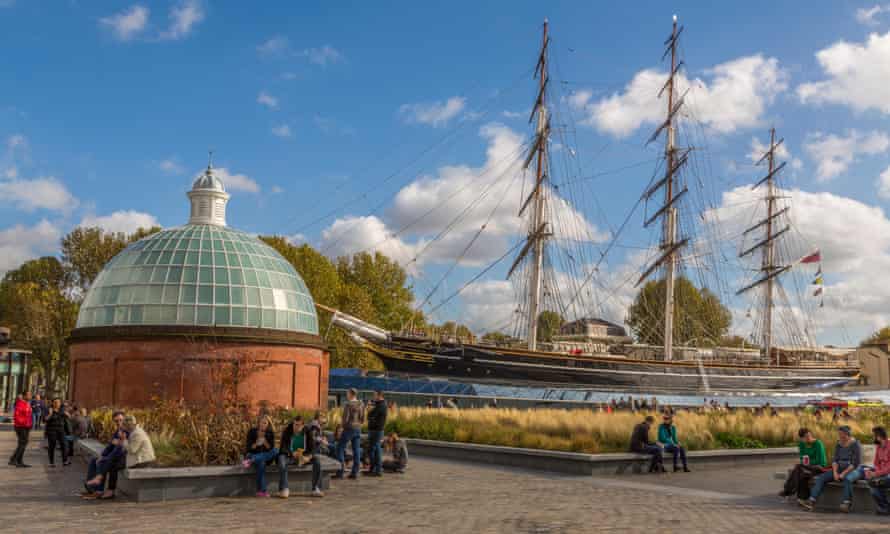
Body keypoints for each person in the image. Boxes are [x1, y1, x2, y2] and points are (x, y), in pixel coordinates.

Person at [800, 425, 862, 512]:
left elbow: (855, 463)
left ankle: (846, 503)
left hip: (852, 469)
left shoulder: (855, 444)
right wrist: (835, 473)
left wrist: (843, 474)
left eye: (841, 434)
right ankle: (811, 501)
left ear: (847, 434)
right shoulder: (839, 444)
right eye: (839, 434)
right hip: (838, 469)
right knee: (821, 478)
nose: (840, 436)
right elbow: (835, 460)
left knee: (847, 479)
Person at [82, 411, 128, 500]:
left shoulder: (126, 432)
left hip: (125, 458)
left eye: (120, 420)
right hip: (116, 457)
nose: (119, 423)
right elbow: (110, 447)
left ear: (124, 420)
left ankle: (99, 491)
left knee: (103, 462)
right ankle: (91, 488)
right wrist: (102, 455)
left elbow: (120, 451)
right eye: (116, 421)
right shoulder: (117, 431)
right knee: (94, 460)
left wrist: (105, 458)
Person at [780, 428, 828, 501]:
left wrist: (808, 462)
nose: (808, 438)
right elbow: (802, 456)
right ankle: (801, 497)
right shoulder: (802, 444)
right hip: (806, 466)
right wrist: (803, 462)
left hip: (819, 466)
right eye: (805, 437)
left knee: (799, 470)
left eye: (809, 435)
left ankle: (789, 491)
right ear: (802, 439)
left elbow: (820, 460)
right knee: (800, 470)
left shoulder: (818, 443)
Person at [243, 415, 277, 497]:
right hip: (252, 454)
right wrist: (256, 443)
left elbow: (270, 448)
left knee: (276, 450)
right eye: (261, 423)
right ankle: (261, 491)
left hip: (263, 457)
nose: (263, 425)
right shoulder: (252, 431)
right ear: (258, 423)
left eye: (265, 423)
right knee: (261, 463)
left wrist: (265, 441)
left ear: (268, 424)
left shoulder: (270, 433)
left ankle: (252, 460)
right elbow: (248, 448)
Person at [336, 388, 364, 480]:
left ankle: (340, 472)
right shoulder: (361, 404)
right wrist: (359, 424)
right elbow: (362, 418)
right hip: (358, 428)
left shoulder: (348, 405)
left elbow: (345, 419)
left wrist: (342, 427)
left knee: (339, 448)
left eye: (347, 393)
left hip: (349, 428)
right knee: (356, 450)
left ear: (351, 394)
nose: (346, 395)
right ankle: (354, 473)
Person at [276, 416, 305, 499]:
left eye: (299, 425)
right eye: (295, 424)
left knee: (317, 460)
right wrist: (292, 453)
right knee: (282, 462)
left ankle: (316, 488)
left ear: (303, 425)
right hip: (287, 455)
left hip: (302, 455)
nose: (296, 427)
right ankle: (285, 488)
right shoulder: (287, 431)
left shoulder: (306, 432)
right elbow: (283, 448)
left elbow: (311, 447)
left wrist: (308, 456)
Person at [864, 426, 890, 514]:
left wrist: (876, 474)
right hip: (881, 474)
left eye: (874, 435)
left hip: (888, 473)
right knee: (872, 485)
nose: (873, 437)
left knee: (882, 479)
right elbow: (876, 463)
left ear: (879, 436)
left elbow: (889, 467)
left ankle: (880, 481)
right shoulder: (878, 447)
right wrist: (874, 473)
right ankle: (885, 507)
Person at [366, 390, 388, 477]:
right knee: (376, 450)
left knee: (373, 450)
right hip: (376, 430)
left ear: (379, 396)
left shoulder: (381, 405)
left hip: (376, 431)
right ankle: (375, 469)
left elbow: (371, 416)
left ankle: (376, 469)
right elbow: (371, 416)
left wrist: (369, 411)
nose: (373, 397)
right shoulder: (379, 405)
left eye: (374, 395)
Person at [44, 398, 71, 467]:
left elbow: (69, 417)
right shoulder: (49, 409)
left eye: (58, 402)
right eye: (55, 402)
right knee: (52, 446)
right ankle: (51, 462)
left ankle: (65, 461)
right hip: (52, 430)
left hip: (61, 430)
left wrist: (67, 414)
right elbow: (45, 419)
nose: (57, 404)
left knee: (65, 445)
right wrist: (50, 414)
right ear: (52, 403)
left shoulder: (62, 410)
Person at [8, 392, 32, 468]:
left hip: (27, 426)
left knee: (23, 443)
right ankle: (14, 460)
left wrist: (30, 424)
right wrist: (24, 423)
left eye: (30, 395)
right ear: (24, 396)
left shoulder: (27, 404)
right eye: (28, 395)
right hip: (21, 427)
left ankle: (18, 461)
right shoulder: (20, 403)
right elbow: (17, 416)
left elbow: (28, 415)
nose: (30, 396)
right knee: (22, 443)